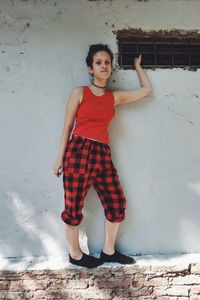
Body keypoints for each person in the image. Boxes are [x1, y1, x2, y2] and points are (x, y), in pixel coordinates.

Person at [53, 44, 152, 268]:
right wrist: (59, 158)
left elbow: (146, 90)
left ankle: (108, 251)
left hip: (102, 153)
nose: (104, 66)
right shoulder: (79, 93)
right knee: (73, 207)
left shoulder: (113, 97)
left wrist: (137, 66)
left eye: (107, 62)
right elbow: (67, 128)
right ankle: (75, 255)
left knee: (116, 203)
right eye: (99, 62)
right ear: (90, 68)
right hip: (78, 151)